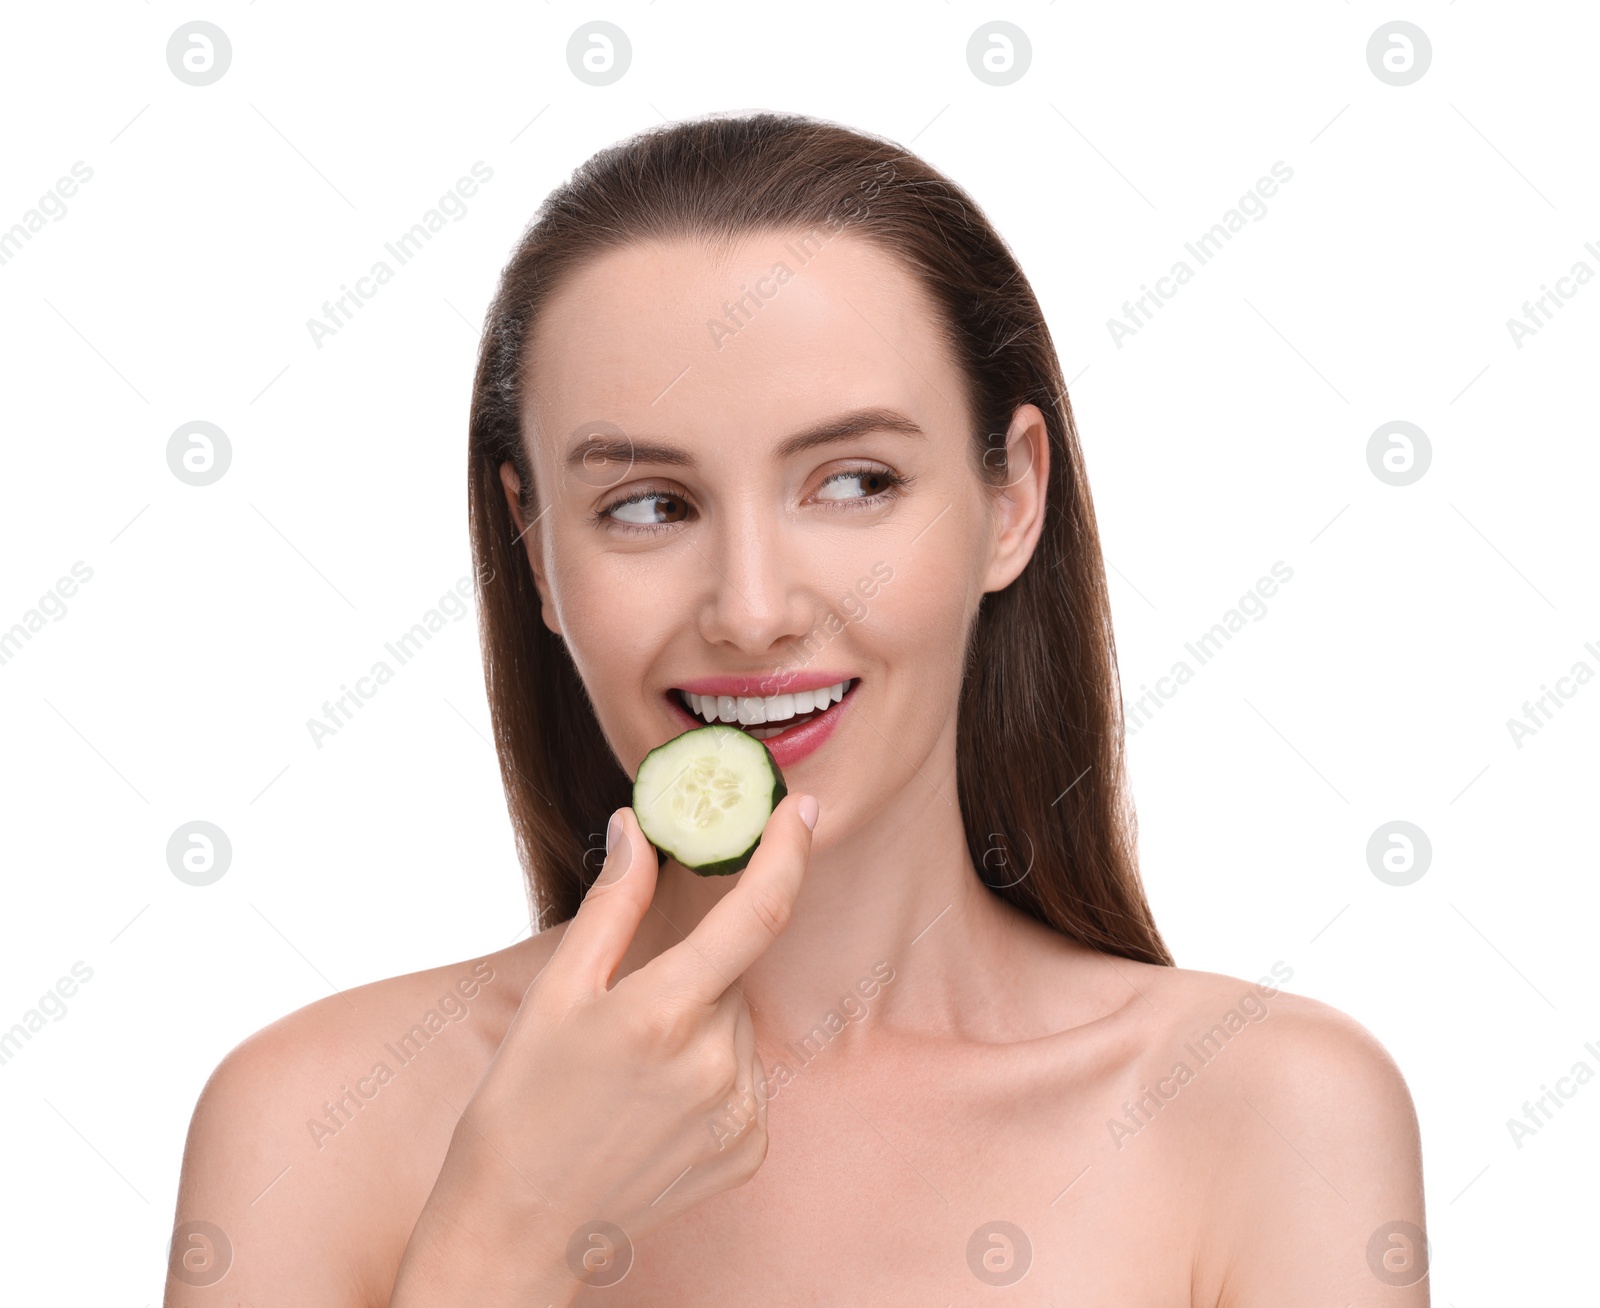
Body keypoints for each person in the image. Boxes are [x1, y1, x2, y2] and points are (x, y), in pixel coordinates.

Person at [167, 111, 1427, 1305]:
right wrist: (510, 1228)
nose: (753, 610)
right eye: (649, 505)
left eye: (855, 482)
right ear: (536, 548)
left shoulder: (1270, 1115)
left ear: (1010, 501)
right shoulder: (304, 1122)